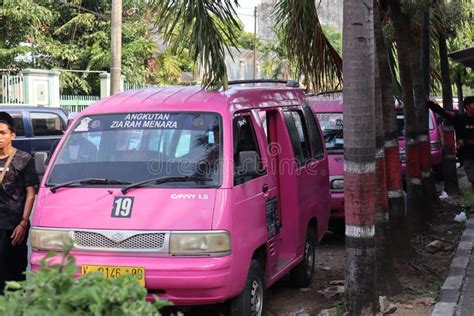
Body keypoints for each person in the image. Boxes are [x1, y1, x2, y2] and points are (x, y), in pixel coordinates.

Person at [0, 112, 38, 293]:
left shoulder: (23, 159)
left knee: (14, 275)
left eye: (3, 133)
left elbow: (31, 193)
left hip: (13, 227)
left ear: (12, 135)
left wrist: (23, 223)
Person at [428, 96, 474, 192]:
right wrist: (429, 103)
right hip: (467, 156)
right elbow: (443, 112)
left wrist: (465, 142)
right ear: (467, 106)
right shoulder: (460, 119)